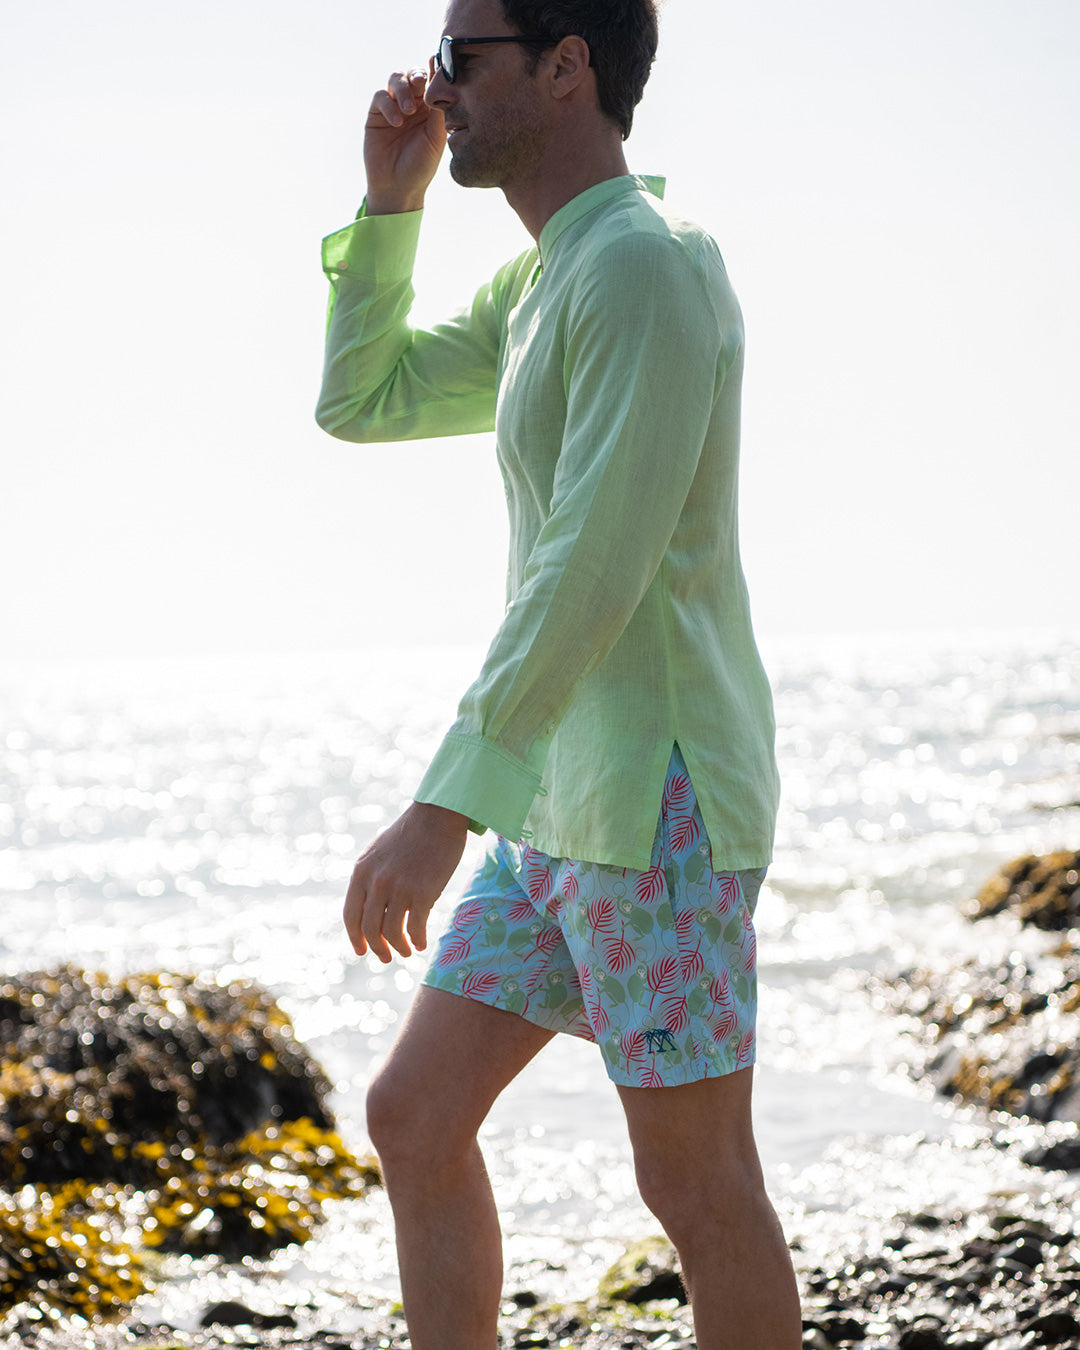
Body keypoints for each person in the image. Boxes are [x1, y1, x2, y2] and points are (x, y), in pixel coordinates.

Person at [315, 1, 801, 1345]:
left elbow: (592, 564)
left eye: (466, 57)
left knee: (698, 1185)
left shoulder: (646, 269)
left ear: (569, 65)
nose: (437, 82)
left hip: (659, 800)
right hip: (555, 804)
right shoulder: (545, 280)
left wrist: (440, 803)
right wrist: (389, 205)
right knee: (413, 1114)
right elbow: (367, 397)